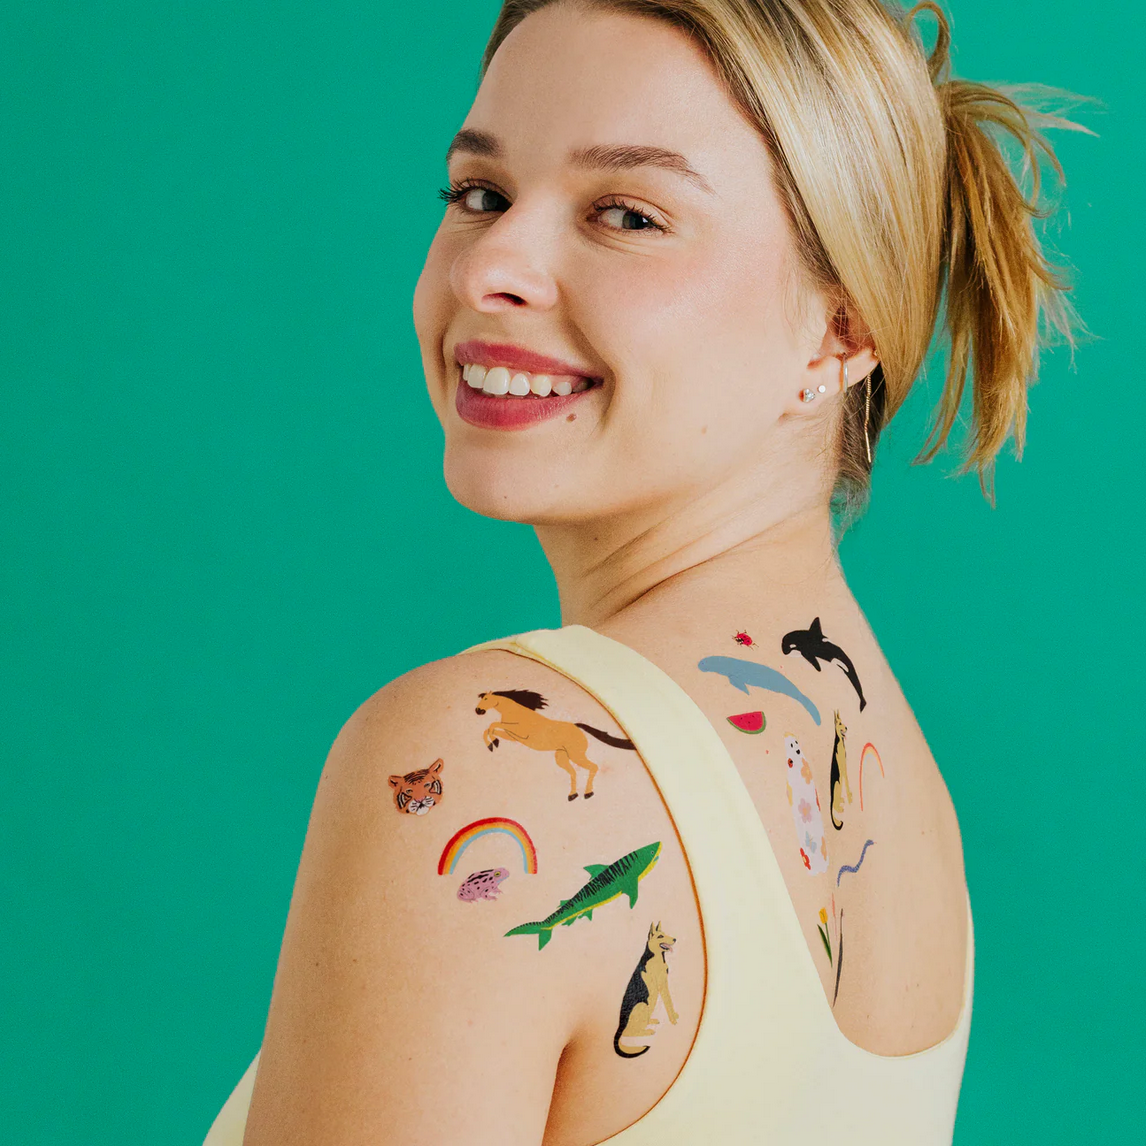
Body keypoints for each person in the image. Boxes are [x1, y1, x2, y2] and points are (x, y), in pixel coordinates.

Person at [205, 0, 1082, 1141]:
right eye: (481, 195)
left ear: (840, 327)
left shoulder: (478, 764)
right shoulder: (893, 780)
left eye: (627, 213)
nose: (494, 270)